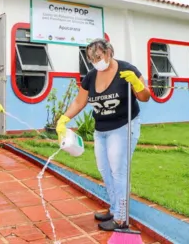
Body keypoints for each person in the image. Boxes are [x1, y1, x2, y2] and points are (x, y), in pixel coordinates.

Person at [55, 38, 150, 231]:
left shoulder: (127, 70)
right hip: (101, 129)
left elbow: (145, 97)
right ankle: (115, 209)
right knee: (104, 170)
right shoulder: (91, 77)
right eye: (91, 59)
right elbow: (79, 102)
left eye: (98, 57)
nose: (95, 61)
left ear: (109, 52)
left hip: (124, 126)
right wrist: (63, 119)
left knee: (118, 170)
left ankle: (122, 218)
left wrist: (136, 84)